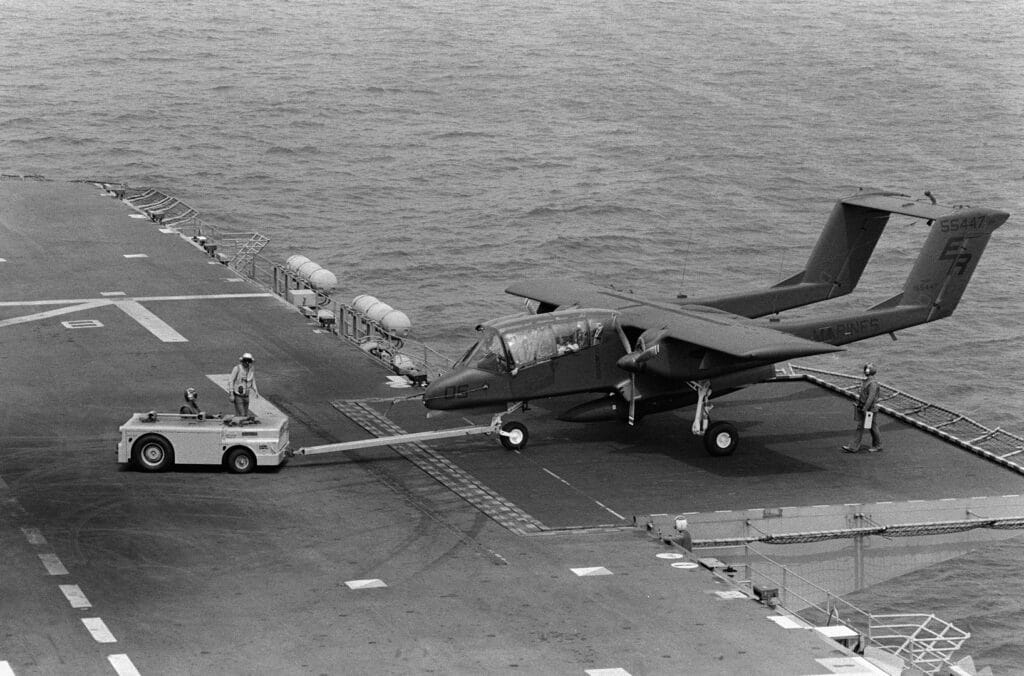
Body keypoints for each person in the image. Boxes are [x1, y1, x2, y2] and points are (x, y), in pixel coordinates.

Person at [843, 363, 883, 453]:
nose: (865, 370)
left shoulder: (872, 384)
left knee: (862, 427)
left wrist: (864, 409)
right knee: (872, 427)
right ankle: (878, 445)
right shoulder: (867, 382)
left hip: (869, 409)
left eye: (867, 369)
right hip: (867, 408)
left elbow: (870, 398)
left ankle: (853, 447)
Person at [229, 353, 259, 420]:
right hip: (238, 395)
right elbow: (231, 381)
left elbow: (252, 381)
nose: (247, 363)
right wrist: (231, 394)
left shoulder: (250, 370)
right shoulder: (237, 369)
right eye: (245, 361)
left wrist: (256, 391)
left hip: (246, 395)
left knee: (245, 415)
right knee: (242, 415)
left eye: (249, 361)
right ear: (242, 361)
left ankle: (239, 427)